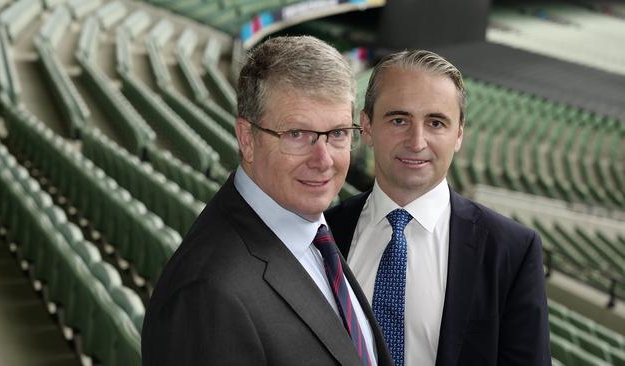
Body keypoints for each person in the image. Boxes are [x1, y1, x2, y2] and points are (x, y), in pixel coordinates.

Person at [141, 36, 392, 366]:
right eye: (297, 135)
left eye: (338, 134)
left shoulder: (315, 234)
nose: (324, 160)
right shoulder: (208, 295)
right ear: (247, 139)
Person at [326, 50, 551, 366]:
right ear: (366, 126)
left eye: (435, 122)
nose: (416, 141)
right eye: (399, 119)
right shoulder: (324, 234)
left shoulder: (511, 251)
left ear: (458, 134)